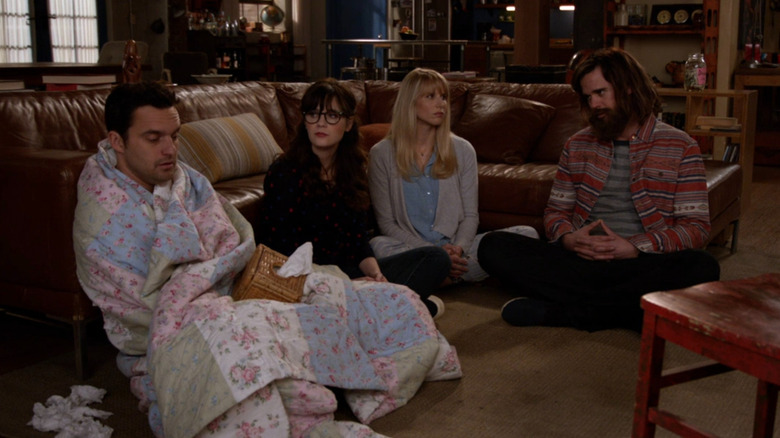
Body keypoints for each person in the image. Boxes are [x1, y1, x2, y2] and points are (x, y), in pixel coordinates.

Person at [73, 82, 461, 437]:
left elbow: (233, 241)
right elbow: (140, 303)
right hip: (208, 307)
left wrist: (368, 272)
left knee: (393, 300)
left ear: (347, 124)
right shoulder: (106, 212)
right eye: (153, 138)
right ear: (117, 141)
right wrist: (222, 294)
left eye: (174, 136)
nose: (170, 150)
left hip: (249, 283)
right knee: (249, 357)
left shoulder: (186, 179)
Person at [478, 48, 720, 332]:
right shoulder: (577, 144)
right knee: (492, 245)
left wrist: (634, 247)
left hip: (641, 263)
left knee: (703, 267)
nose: (594, 104)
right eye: (588, 97)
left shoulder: (681, 146)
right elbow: (556, 212)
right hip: (582, 261)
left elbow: (695, 228)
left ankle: (568, 313)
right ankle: (629, 311)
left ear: (628, 87)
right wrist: (569, 240)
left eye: (601, 93)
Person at [257, 78, 452, 317]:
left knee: (436, 258)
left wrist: (375, 275)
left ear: (348, 123)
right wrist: (346, 283)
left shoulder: (353, 169)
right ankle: (398, 306)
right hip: (306, 278)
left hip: (350, 272)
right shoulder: (285, 172)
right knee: (361, 296)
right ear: (304, 122)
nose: (321, 123)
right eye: (313, 114)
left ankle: (385, 304)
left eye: (332, 115)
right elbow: (284, 252)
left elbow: (358, 240)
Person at [368, 68, 537, 283]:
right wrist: (434, 253)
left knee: (527, 234)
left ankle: (437, 277)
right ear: (410, 102)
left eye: (444, 97)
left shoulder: (463, 149)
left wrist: (458, 249)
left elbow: (470, 216)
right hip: (413, 249)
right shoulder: (382, 153)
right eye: (430, 96)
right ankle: (451, 275)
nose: (441, 104)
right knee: (377, 246)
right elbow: (387, 224)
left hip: (457, 247)